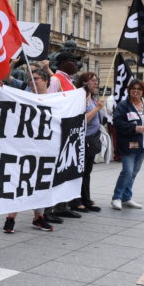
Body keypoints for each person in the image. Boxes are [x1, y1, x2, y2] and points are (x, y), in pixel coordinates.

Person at [3, 65, 54, 233]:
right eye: (30, 80)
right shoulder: (24, 98)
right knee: (21, 181)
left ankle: (39, 217)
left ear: (46, 81)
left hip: (45, 150)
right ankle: (11, 218)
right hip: (24, 149)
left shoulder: (56, 100)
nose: (32, 83)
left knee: (41, 183)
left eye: (36, 79)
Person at [111, 79, 144, 211]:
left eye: (139, 89)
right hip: (129, 144)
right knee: (127, 171)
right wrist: (134, 128)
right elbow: (117, 123)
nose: (136, 91)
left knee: (134, 173)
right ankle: (117, 197)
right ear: (129, 90)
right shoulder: (123, 106)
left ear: (143, 92)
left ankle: (127, 197)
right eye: (134, 88)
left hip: (143, 144)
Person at [45, 52, 83, 220]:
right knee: (54, 173)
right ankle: (47, 211)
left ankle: (62, 206)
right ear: (62, 63)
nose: (76, 64)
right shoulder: (55, 80)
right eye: (73, 61)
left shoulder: (70, 82)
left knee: (66, 171)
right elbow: (49, 103)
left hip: (70, 133)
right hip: (59, 132)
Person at [72, 72, 103, 213]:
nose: (96, 83)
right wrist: (97, 109)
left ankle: (86, 199)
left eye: (97, 80)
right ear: (84, 82)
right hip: (82, 141)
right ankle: (76, 201)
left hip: (92, 140)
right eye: (93, 80)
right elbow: (83, 120)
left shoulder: (92, 99)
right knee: (80, 172)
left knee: (87, 172)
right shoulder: (80, 98)